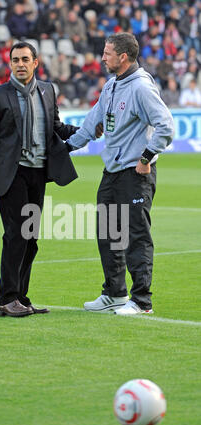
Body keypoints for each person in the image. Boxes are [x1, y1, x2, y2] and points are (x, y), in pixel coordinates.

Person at [66, 33, 174, 315]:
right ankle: (114, 293)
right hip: (112, 172)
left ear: (123, 57)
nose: (103, 57)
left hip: (135, 174)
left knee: (136, 236)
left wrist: (147, 156)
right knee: (108, 234)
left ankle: (142, 301)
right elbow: (92, 123)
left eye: (107, 53)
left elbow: (166, 126)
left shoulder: (141, 87)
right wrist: (65, 147)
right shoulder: (111, 85)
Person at [0, 41, 79, 318]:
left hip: (38, 174)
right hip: (12, 175)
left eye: (25, 59)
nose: (20, 64)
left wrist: (88, 130)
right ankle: (6, 299)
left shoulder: (47, 90)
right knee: (16, 236)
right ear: (10, 64)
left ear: (35, 62)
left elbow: (57, 128)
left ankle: (20, 296)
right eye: (15, 59)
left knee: (31, 239)